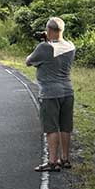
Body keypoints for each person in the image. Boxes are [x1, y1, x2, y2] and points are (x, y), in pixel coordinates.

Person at [26, 17, 76, 172]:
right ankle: (65, 159)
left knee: (51, 128)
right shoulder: (70, 46)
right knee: (65, 126)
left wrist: (43, 43)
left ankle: (52, 162)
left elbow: (29, 61)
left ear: (48, 30)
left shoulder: (44, 47)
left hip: (50, 93)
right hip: (67, 91)